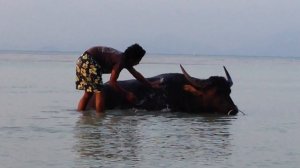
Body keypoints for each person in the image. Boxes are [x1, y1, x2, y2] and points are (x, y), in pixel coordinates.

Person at [75, 43, 159, 113]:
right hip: (89, 60)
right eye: (138, 60)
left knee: (88, 94)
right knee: (100, 92)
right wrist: (126, 94)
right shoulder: (120, 61)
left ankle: (81, 115)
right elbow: (112, 82)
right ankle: (99, 118)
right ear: (132, 59)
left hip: (82, 59)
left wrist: (150, 84)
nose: (138, 63)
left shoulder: (124, 59)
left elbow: (136, 74)